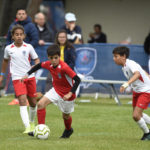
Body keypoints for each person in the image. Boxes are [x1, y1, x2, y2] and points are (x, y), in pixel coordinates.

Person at [23, 44, 81, 138]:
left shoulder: (64, 67)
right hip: (56, 91)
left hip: (67, 95)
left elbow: (78, 80)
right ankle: (40, 128)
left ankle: (68, 130)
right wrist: (27, 74)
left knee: (65, 116)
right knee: (41, 104)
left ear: (59, 57)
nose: (53, 60)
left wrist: (70, 93)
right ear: (48, 57)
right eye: (51, 58)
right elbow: (39, 65)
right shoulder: (48, 64)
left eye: (56, 58)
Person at [0, 24, 40, 133]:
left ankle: (31, 123)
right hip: (17, 78)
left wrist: (34, 67)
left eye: (21, 34)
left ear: (24, 36)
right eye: (16, 34)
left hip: (30, 77)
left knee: (32, 102)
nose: (19, 36)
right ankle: (28, 127)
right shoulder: (8, 49)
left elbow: (36, 60)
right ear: (12, 36)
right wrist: (2, 75)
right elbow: (5, 61)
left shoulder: (29, 47)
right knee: (22, 100)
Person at [113, 46, 150, 140]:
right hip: (137, 91)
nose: (114, 59)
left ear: (123, 56)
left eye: (116, 56)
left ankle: (147, 134)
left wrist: (126, 84)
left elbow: (137, 74)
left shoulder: (130, 64)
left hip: (145, 91)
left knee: (136, 116)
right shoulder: (124, 67)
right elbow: (141, 71)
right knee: (138, 115)